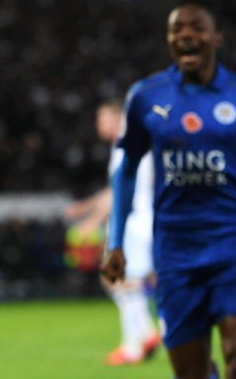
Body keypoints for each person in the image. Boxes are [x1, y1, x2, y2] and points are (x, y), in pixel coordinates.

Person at [102, 2, 236, 379]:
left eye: (195, 28)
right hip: (176, 251)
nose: (185, 35)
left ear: (217, 38)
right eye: (176, 29)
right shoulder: (146, 96)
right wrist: (115, 241)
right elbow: (126, 172)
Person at [65, 100, 160, 365]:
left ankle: (136, 343)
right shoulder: (128, 145)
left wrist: (92, 221)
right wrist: (84, 208)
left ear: (118, 119)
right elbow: (113, 189)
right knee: (121, 283)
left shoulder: (126, 147)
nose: (99, 124)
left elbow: (120, 192)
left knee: (120, 281)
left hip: (133, 223)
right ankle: (146, 335)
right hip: (137, 221)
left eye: (102, 118)